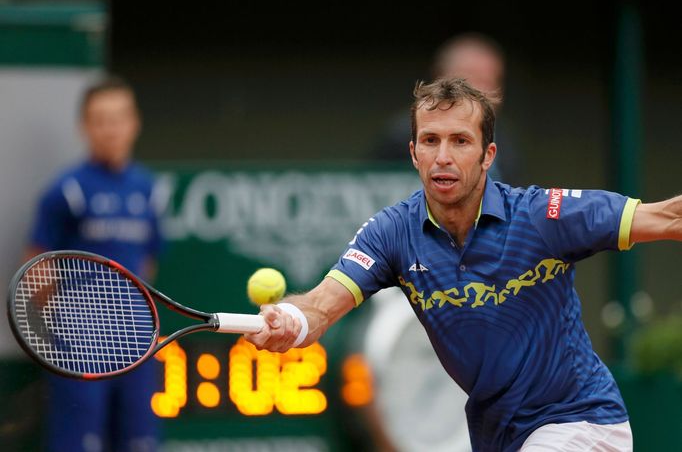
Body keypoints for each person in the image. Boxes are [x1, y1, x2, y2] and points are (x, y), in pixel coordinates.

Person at [245, 77, 682, 451]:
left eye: (460, 141)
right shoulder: (391, 232)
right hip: (499, 435)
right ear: (414, 154)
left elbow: (668, 217)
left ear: (487, 155)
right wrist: (288, 319)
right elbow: (322, 306)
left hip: (582, 423)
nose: (443, 156)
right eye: (431, 141)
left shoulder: (543, 216)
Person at [25, 76, 163, 452]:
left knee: (141, 442)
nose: (111, 129)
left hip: (136, 344)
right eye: (100, 120)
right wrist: (67, 327)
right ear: (85, 127)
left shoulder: (148, 188)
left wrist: (130, 317)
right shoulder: (66, 190)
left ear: (134, 123)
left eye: (118, 118)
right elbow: (37, 266)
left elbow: (148, 263)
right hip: (78, 348)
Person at [373, 32, 521, 184]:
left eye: (492, 81)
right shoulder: (402, 135)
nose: (482, 91)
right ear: (441, 79)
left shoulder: (504, 139)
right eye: (473, 78)